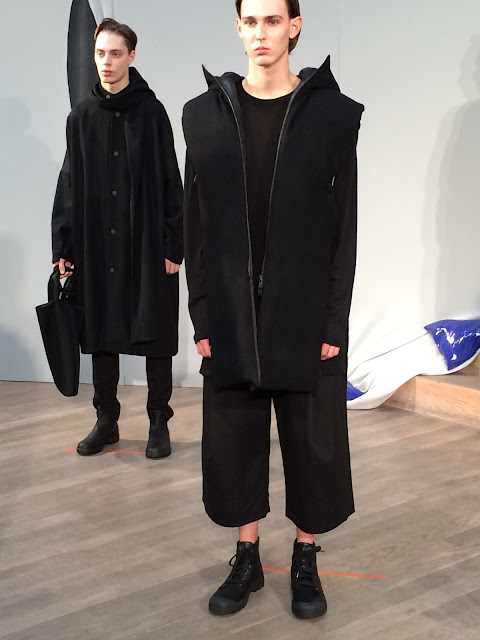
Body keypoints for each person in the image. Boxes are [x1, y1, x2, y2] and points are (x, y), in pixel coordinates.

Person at [183, 0, 364, 619]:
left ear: (295, 26)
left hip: (305, 311)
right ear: (238, 28)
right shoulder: (202, 115)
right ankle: (247, 556)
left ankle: (306, 557)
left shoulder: (333, 116)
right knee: (235, 439)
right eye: (250, 21)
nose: (260, 33)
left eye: (272, 20)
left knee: (313, 442)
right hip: (229, 312)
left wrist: (333, 320)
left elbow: (345, 229)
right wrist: (201, 315)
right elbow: (196, 226)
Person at [52, 18, 183, 458]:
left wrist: (174, 243)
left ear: (131, 56)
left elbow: (170, 179)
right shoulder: (81, 118)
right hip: (97, 243)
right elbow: (68, 182)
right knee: (101, 331)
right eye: (99, 54)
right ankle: (106, 420)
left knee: (155, 329)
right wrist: (63, 246)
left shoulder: (152, 112)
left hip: (145, 243)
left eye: (115, 53)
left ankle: (158, 420)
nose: (106, 62)